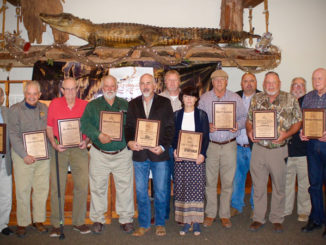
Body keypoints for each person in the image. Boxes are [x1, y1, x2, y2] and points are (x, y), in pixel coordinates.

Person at [246, 71, 302, 233]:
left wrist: (286, 134)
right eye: (268, 82)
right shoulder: (257, 98)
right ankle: (258, 217)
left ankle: (277, 218)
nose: (270, 85)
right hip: (258, 150)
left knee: (279, 186)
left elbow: (298, 121)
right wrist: (250, 131)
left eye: (274, 82)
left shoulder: (290, 99)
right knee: (258, 185)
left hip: (279, 150)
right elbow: (249, 120)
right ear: (264, 84)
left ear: (279, 83)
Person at [81, 75, 134, 234]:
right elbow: (84, 125)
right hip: (99, 154)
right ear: (101, 88)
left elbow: (132, 126)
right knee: (98, 188)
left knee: (124, 188)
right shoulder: (93, 106)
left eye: (112, 86)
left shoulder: (125, 105)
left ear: (116, 87)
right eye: (106, 86)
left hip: (122, 153)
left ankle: (126, 219)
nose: (109, 89)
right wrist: (98, 135)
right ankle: (97, 219)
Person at [125, 73, 174, 237]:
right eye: (142, 83)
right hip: (139, 155)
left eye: (148, 83)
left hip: (158, 154)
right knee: (140, 191)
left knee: (160, 191)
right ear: (139, 86)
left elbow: (170, 128)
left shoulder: (165, 103)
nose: (145, 86)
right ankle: (144, 224)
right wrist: (130, 142)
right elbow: (129, 127)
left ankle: (160, 223)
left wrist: (162, 146)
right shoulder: (132, 104)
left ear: (154, 85)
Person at [198, 69, 246, 229]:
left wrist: (237, 126)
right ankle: (210, 213)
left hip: (229, 145)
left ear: (227, 81)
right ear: (212, 82)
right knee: (210, 181)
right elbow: (198, 119)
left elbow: (244, 118)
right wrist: (206, 126)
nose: (219, 82)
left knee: (228, 181)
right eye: (216, 80)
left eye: (222, 79)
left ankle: (224, 214)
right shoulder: (204, 99)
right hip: (210, 146)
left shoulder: (235, 98)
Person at [47, 78, 90, 237]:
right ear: (62, 90)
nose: (70, 92)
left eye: (73, 89)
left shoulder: (85, 105)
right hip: (60, 149)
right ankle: (57, 223)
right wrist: (53, 144)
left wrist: (86, 141)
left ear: (77, 89)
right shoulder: (54, 104)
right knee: (58, 186)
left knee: (81, 185)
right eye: (67, 89)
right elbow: (49, 127)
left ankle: (78, 222)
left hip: (79, 150)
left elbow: (90, 128)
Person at [8, 81, 50, 237]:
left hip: (43, 157)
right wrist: (24, 154)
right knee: (23, 190)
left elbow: (49, 130)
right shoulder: (15, 110)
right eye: (29, 93)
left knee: (41, 189)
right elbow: (13, 134)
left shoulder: (45, 109)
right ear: (24, 94)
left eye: (35, 93)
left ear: (40, 95)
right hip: (22, 157)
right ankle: (22, 222)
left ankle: (38, 220)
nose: (32, 96)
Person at [172, 86, 209, 236]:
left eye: (192, 96)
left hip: (196, 160)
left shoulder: (202, 115)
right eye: (186, 96)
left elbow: (205, 137)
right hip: (181, 160)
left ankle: (197, 222)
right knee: (182, 190)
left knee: (196, 190)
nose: (189, 99)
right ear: (182, 98)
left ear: (196, 99)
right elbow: (174, 137)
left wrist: (203, 154)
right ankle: (186, 222)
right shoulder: (176, 115)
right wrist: (175, 150)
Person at [300, 68, 326, 238]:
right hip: (312, 147)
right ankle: (316, 218)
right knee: (314, 185)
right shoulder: (308, 97)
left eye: (320, 78)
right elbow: (304, 120)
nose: (317, 81)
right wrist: (302, 132)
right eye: (314, 78)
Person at [231, 72, 260, 218]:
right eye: (245, 81)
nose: (248, 84)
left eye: (252, 81)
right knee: (237, 177)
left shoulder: (263, 98)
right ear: (241, 84)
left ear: (256, 83)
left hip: (255, 147)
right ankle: (236, 205)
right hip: (237, 146)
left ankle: (255, 207)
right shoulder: (234, 97)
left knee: (257, 178)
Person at [284, 77, 311, 222]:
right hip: (287, 151)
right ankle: (286, 209)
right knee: (286, 183)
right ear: (291, 88)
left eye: (301, 85)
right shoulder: (285, 103)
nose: (298, 88)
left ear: (305, 89)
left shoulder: (310, 104)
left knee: (304, 183)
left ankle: (304, 211)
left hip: (304, 152)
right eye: (295, 85)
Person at [159, 70, 182, 220]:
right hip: (164, 147)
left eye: (175, 80)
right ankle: (164, 214)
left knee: (180, 181)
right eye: (169, 80)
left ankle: (180, 214)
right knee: (164, 182)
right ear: (165, 82)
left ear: (179, 81)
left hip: (182, 147)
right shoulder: (158, 99)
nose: (172, 83)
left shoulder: (188, 98)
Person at [0, 88, 13, 236]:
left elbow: (15, 133)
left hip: (5, 160)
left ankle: (2, 224)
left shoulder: (7, 113)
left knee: (5, 194)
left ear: (2, 97)